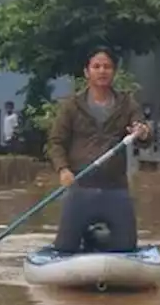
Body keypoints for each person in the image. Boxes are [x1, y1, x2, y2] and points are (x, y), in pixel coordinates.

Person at [46, 47, 153, 253]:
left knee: (126, 247)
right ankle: (85, 240)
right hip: (80, 188)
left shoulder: (127, 104)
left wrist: (143, 133)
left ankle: (98, 242)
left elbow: (143, 136)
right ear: (87, 72)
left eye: (107, 67)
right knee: (64, 247)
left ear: (113, 72)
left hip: (116, 189)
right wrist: (63, 169)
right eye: (96, 67)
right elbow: (56, 142)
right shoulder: (71, 106)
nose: (102, 71)